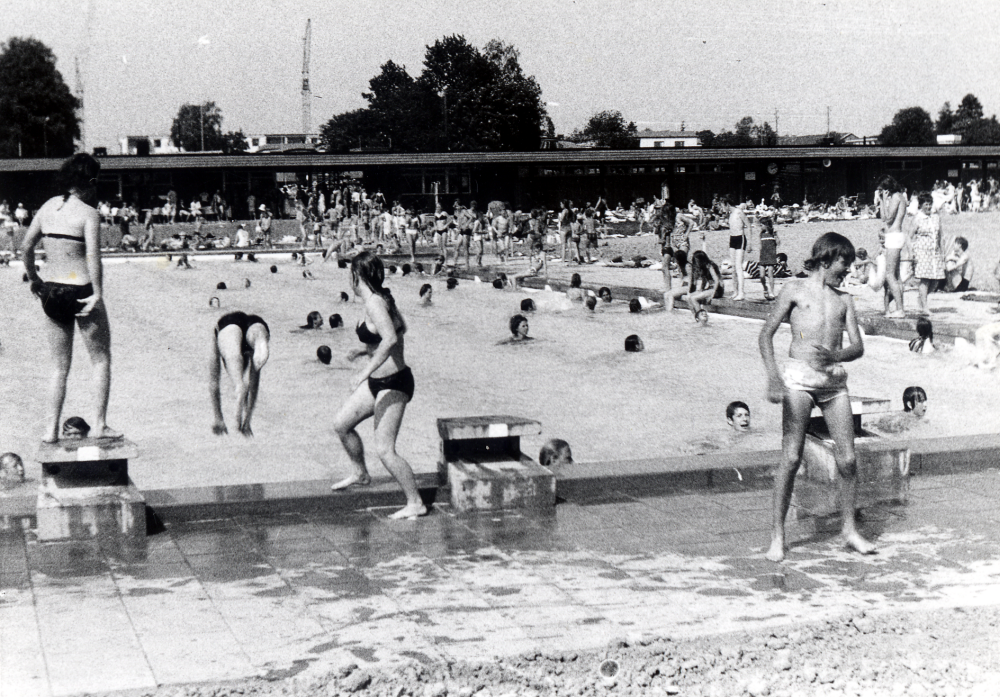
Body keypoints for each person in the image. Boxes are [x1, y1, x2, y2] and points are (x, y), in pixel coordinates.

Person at [759, 232, 874, 562]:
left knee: (848, 459)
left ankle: (849, 531)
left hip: (833, 382)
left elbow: (858, 346)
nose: (847, 271)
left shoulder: (845, 299)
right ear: (826, 258)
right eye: (844, 263)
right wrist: (772, 377)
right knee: (792, 458)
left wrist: (837, 357)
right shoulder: (794, 290)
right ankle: (778, 536)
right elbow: (765, 335)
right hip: (798, 380)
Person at [21, 154, 120, 444]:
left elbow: (25, 248)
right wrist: (98, 294)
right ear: (90, 182)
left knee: (58, 367)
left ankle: (50, 431)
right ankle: (100, 425)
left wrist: (34, 279)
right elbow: (94, 259)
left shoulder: (48, 206)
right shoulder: (89, 214)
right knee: (100, 361)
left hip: (51, 291)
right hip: (81, 292)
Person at [331, 252, 426, 519]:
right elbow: (401, 329)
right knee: (341, 424)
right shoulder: (379, 299)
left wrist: (363, 372)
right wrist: (366, 351)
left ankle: (416, 502)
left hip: (394, 382)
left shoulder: (375, 302)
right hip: (378, 381)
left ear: (356, 276)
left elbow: (391, 339)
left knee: (385, 450)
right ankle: (360, 473)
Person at [210, 311, 270, 437]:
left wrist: (218, 418)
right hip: (255, 321)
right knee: (258, 343)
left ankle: (238, 384)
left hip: (228, 324)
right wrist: (247, 421)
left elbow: (214, 382)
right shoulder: (249, 356)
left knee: (234, 363)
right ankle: (261, 342)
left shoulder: (225, 349)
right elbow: (254, 386)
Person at [878, 175, 907, 318]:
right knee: (896, 275)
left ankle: (900, 309)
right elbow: (884, 218)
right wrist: (882, 201)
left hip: (894, 237)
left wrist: (883, 200)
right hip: (896, 236)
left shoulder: (896, 197)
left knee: (889, 275)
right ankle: (900, 308)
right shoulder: (900, 196)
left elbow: (888, 218)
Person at [911, 192, 945, 316]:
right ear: (921, 205)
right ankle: (925, 307)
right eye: (926, 204)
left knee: (936, 280)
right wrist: (912, 254)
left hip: (934, 252)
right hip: (921, 252)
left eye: (930, 204)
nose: (929, 206)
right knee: (925, 279)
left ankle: (921, 298)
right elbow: (909, 237)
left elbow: (940, 236)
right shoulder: (917, 219)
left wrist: (943, 253)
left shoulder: (936, 217)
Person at [685, 250, 723, 323]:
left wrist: (712, 294)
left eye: (696, 261)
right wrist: (701, 289)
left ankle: (702, 320)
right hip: (710, 288)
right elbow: (704, 280)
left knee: (694, 298)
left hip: (717, 289)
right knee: (688, 297)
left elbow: (716, 280)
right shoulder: (703, 267)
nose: (696, 263)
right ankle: (695, 317)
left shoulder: (710, 266)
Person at [727, 199, 749, 300]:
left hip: (740, 238)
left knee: (738, 266)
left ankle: (741, 292)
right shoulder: (730, 214)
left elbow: (749, 225)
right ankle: (735, 291)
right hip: (732, 239)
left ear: (727, 204)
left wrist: (750, 242)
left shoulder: (739, 212)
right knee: (733, 266)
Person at [758, 215, 779, 300]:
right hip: (763, 255)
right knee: (762, 275)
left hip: (771, 255)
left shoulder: (772, 233)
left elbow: (778, 243)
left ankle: (772, 292)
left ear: (766, 225)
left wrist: (776, 236)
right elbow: (760, 245)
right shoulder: (761, 234)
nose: (760, 227)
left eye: (762, 225)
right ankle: (765, 288)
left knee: (770, 274)